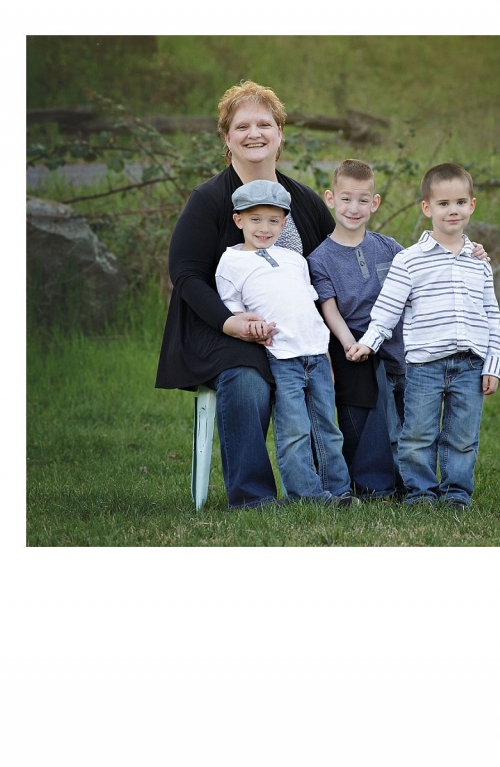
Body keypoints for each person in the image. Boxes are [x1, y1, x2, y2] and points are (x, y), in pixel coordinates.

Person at [155, 80, 335, 509]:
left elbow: (338, 258)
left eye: (264, 124)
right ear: (227, 137)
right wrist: (230, 322)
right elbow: (186, 274)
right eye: (242, 126)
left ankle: (351, 483)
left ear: (279, 134)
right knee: (246, 374)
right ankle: (253, 497)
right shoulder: (209, 200)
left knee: (356, 361)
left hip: (298, 327)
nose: (254, 133)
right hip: (223, 330)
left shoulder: (304, 202)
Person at [347, 163, 500, 509]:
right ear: (427, 208)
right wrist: (369, 342)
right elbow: (387, 308)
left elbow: (491, 314)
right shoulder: (409, 261)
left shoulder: (479, 262)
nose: (453, 210)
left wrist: (493, 363)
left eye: (460, 202)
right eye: (444, 203)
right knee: (417, 435)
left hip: (471, 363)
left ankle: (456, 494)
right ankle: (419, 493)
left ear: (472, 205)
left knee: (463, 436)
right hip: (424, 364)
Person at [215, 180, 356, 505]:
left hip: (316, 356)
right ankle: (306, 495)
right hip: (282, 357)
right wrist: (253, 327)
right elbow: (234, 311)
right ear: (239, 220)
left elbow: (309, 309)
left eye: (273, 220)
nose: (265, 228)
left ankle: (339, 491)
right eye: (255, 219)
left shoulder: (294, 259)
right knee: (294, 430)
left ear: (285, 221)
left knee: (327, 428)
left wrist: (327, 356)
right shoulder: (231, 262)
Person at [307, 159, 406, 500]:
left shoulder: (389, 248)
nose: (354, 208)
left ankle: (408, 478)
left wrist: (471, 252)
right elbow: (328, 307)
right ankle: (371, 483)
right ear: (331, 198)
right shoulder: (320, 259)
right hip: (352, 347)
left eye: (363, 200)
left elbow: (420, 276)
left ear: (374, 203)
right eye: (346, 199)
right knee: (365, 392)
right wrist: (351, 343)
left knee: (406, 418)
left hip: (397, 346)